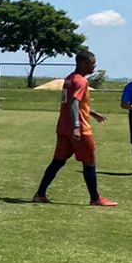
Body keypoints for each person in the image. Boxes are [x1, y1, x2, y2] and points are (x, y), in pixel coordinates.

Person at [34, 49, 115, 207]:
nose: (94, 67)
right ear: (82, 64)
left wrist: (91, 112)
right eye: (92, 64)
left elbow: (73, 102)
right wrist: (77, 127)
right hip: (79, 130)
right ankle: (95, 198)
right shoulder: (81, 81)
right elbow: (73, 103)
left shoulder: (70, 79)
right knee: (89, 163)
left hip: (63, 127)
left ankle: (40, 194)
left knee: (58, 162)